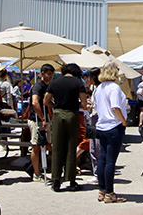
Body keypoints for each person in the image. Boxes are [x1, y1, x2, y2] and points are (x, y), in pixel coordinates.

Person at [44, 63, 88, 192]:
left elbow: (46, 100)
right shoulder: (78, 83)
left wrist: (55, 106)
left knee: (57, 147)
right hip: (72, 115)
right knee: (71, 146)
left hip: (58, 114)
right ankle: (71, 180)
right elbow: (84, 104)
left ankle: (56, 180)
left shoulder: (55, 82)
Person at [94, 60, 127, 203]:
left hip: (102, 125)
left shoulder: (99, 88)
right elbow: (115, 107)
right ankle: (109, 192)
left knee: (103, 158)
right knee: (110, 161)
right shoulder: (114, 88)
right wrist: (124, 121)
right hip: (113, 125)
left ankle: (102, 190)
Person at [28, 64, 54, 182]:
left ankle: (41, 169)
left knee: (47, 144)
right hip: (36, 120)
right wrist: (42, 118)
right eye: (49, 73)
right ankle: (37, 173)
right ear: (42, 73)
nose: (51, 76)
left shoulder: (47, 86)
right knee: (36, 146)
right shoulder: (38, 86)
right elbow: (35, 102)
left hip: (45, 119)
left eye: (52, 74)